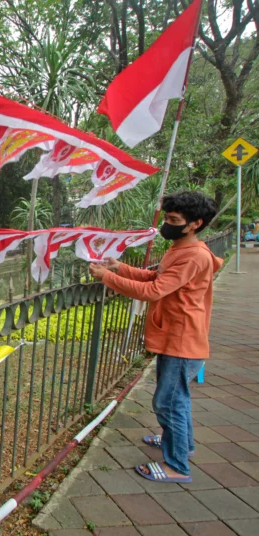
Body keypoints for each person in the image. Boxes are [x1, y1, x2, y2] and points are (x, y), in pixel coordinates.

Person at [88, 191, 221, 484]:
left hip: (181, 339)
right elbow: (156, 278)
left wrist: (106, 278)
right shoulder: (180, 248)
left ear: (194, 224)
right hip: (176, 336)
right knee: (178, 399)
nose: (167, 224)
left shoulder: (194, 256)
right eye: (167, 218)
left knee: (168, 403)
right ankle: (182, 445)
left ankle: (177, 467)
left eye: (174, 220)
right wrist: (119, 268)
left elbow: (153, 291)